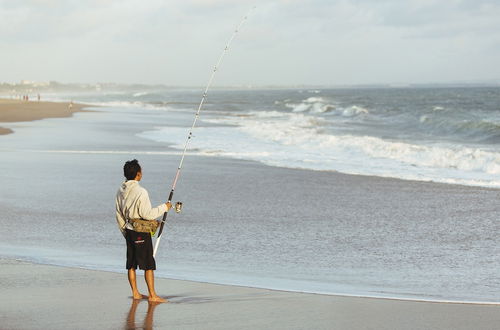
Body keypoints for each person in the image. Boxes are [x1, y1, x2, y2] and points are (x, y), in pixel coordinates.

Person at [115, 159, 171, 303]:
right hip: (140, 232)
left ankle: (135, 293)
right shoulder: (141, 191)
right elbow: (147, 214)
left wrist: (125, 231)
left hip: (128, 230)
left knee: (131, 264)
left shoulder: (120, 191)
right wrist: (165, 207)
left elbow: (118, 214)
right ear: (138, 175)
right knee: (148, 264)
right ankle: (152, 295)